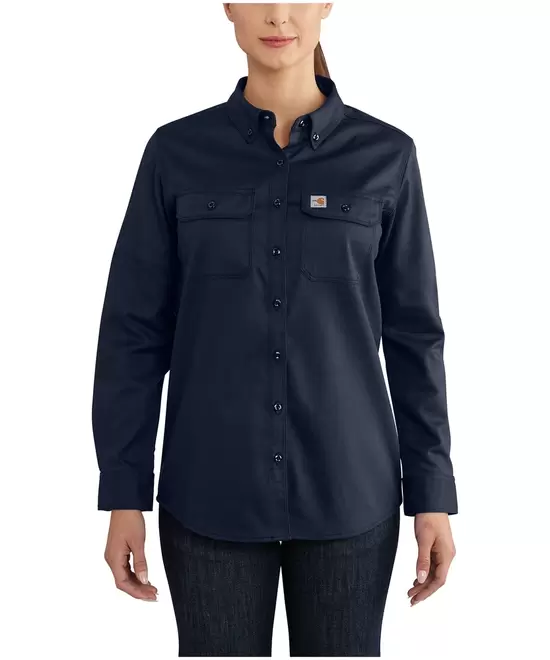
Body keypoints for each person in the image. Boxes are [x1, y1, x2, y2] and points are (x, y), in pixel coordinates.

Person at [91, 3, 458, 656]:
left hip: (350, 494)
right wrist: (125, 493)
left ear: (327, 5)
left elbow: (414, 338)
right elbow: (133, 335)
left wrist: (432, 494)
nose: (278, 15)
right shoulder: (176, 153)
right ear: (228, 6)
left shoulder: (387, 156)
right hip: (209, 493)